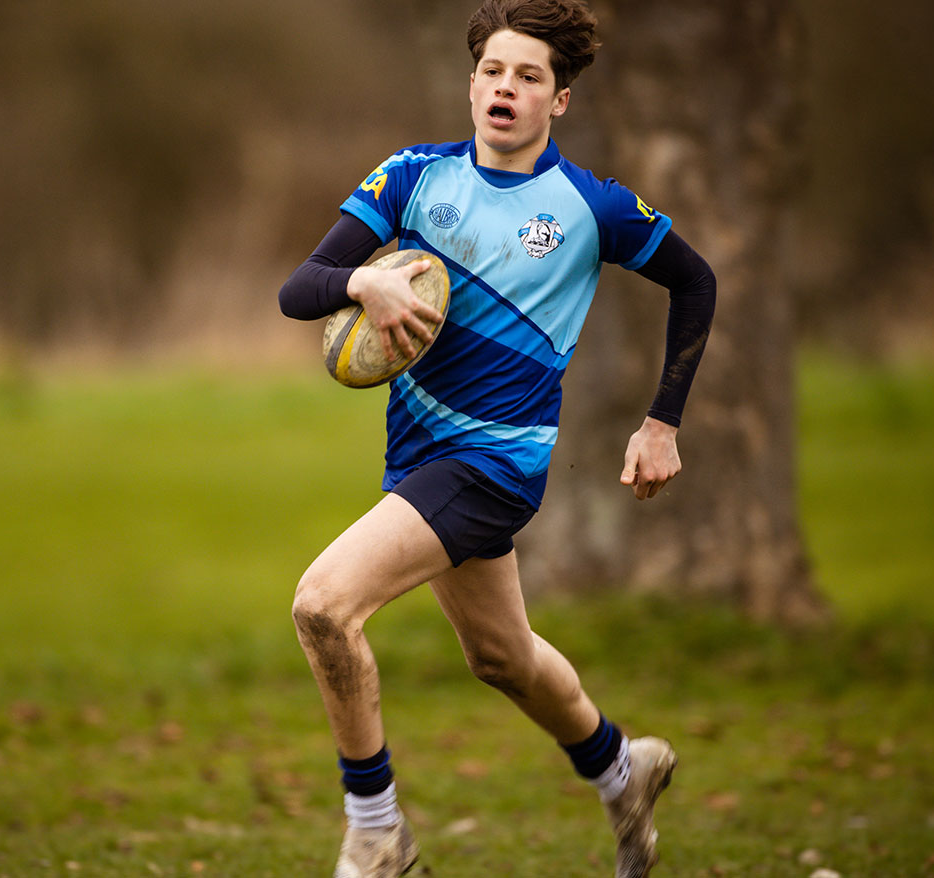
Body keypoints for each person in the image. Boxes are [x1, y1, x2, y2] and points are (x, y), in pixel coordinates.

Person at [277, 1, 716, 875]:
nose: (505, 89)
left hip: (495, 464)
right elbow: (301, 289)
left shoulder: (591, 207)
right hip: (420, 454)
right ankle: (623, 770)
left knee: (324, 606)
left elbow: (695, 281)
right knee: (502, 657)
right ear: (471, 82)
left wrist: (661, 421)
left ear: (559, 101)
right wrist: (365, 280)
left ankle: (376, 829)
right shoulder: (412, 178)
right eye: (492, 72)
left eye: (528, 77)